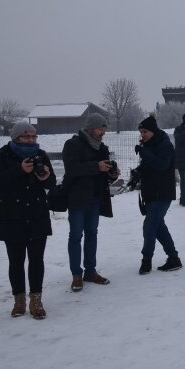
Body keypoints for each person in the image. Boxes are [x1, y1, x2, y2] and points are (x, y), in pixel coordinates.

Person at [0, 122, 56, 319]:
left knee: (36, 260)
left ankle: (36, 300)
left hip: (36, 215)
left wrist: (46, 179)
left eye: (34, 137)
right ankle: (19, 300)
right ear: (17, 137)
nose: (32, 140)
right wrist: (19, 170)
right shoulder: (2, 154)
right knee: (15, 261)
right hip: (12, 216)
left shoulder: (40, 155)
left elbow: (51, 183)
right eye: (27, 137)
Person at [62, 112, 118, 292]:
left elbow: (103, 173)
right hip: (77, 198)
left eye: (104, 128)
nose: (103, 132)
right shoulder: (72, 144)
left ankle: (91, 271)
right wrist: (96, 166)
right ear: (90, 128)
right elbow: (71, 170)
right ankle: (76, 274)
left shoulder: (102, 147)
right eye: (101, 128)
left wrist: (111, 174)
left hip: (95, 197)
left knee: (92, 234)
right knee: (76, 235)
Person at [136, 116, 182, 274]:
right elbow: (148, 166)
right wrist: (137, 173)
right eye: (141, 132)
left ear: (153, 131)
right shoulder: (148, 145)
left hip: (162, 193)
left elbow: (162, 165)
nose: (142, 134)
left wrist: (145, 153)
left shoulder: (165, 145)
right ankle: (173, 258)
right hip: (150, 193)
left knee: (149, 226)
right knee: (158, 226)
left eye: (145, 131)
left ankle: (146, 260)